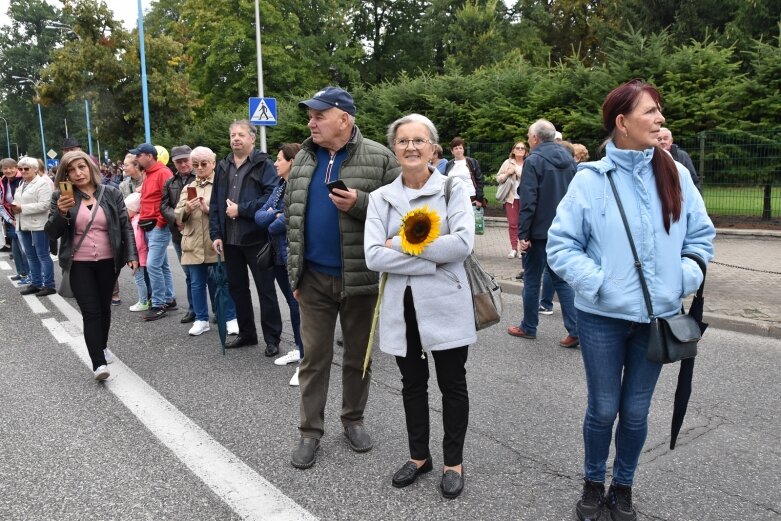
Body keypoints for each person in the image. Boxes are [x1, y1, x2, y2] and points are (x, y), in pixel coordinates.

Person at [546, 79, 715, 521]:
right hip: (601, 316)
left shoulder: (674, 173)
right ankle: (591, 483)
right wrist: (599, 283)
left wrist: (682, 277)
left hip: (656, 317)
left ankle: (623, 486)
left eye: (660, 110)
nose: (660, 119)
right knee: (603, 408)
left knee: (636, 413)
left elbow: (701, 235)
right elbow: (561, 246)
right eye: (650, 111)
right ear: (621, 123)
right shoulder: (589, 181)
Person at [285, 86, 400, 469]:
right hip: (314, 278)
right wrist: (295, 274)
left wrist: (361, 203)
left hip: (361, 279)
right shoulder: (302, 158)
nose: (311, 122)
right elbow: (292, 221)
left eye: (319, 115)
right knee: (314, 357)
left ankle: (353, 419)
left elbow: (402, 218)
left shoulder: (381, 158)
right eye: (310, 116)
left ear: (344, 119)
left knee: (358, 358)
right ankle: (309, 432)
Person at [365, 113, 474, 499]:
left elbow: (461, 245)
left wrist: (401, 243)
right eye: (403, 141)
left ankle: (453, 462)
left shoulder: (452, 189)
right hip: (402, 305)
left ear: (432, 147)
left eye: (419, 141)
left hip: (445, 303)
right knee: (412, 384)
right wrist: (432, 255)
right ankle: (419, 456)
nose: (411, 147)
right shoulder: (381, 198)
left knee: (451, 383)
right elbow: (373, 257)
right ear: (394, 148)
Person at [46, 151, 139, 380]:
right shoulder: (60, 196)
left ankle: (102, 346)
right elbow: (52, 231)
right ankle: (98, 364)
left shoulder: (111, 193)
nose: (78, 173)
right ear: (64, 174)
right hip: (79, 263)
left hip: (109, 261)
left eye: (81, 167)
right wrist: (62, 212)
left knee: (104, 308)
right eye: (71, 170)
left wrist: (132, 254)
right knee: (91, 311)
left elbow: (125, 226)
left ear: (90, 168)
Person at [208, 120, 282, 354]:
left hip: (256, 237)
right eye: (232, 135)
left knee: (265, 289)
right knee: (238, 288)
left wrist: (242, 209)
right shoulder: (223, 165)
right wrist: (216, 234)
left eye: (241, 134)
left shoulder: (263, 163)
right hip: (230, 240)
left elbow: (273, 197)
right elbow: (216, 202)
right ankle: (247, 334)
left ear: (252, 138)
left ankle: (272, 339)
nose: (235, 139)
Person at [507, 119, 578, 348]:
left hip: (538, 232)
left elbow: (529, 200)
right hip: (563, 230)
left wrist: (523, 234)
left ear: (536, 138)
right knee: (561, 281)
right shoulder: (569, 159)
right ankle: (576, 329)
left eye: (529, 136)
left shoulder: (534, 160)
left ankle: (528, 326)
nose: (528, 140)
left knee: (531, 279)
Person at [254, 143, 304, 386]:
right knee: (291, 304)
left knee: (298, 306)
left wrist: (273, 217)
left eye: (280, 159)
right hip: (276, 254)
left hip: (291, 253)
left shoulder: (297, 185)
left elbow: (286, 218)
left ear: (292, 161)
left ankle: (306, 360)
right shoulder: (280, 186)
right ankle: (298, 348)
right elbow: (260, 216)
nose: (275, 163)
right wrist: (272, 215)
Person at [176, 146, 239, 337]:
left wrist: (208, 209)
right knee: (196, 282)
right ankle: (201, 319)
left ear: (213, 163)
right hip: (193, 240)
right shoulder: (189, 187)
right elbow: (177, 216)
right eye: (196, 164)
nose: (199, 168)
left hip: (215, 240)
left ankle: (230, 318)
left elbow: (229, 212)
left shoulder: (222, 184)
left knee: (222, 281)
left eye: (204, 163)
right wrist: (186, 209)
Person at [132, 143, 176, 321]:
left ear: (149, 156)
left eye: (139, 155)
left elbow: (169, 200)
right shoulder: (148, 173)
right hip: (149, 224)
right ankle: (168, 298)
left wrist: (160, 222)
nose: (136, 158)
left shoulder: (163, 172)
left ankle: (158, 305)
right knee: (161, 265)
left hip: (157, 225)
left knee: (152, 265)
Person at [162, 145, 197, 324]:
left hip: (199, 233)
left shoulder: (200, 177)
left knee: (212, 276)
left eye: (186, 160)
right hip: (178, 235)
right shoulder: (170, 182)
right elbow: (164, 206)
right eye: (179, 161)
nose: (183, 164)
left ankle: (216, 309)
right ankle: (194, 309)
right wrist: (177, 219)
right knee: (189, 275)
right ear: (174, 163)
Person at [12, 157, 55, 296]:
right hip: (22, 223)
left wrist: (22, 207)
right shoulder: (21, 183)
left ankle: (49, 285)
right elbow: (17, 200)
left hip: (39, 224)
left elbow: (45, 205)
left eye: (26, 168)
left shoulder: (42, 184)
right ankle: (36, 283)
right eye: (21, 169)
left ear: (35, 169)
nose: (23, 171)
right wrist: (13, 206)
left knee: (43, 255)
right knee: (30, 256)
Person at [1, 158, 29, 284]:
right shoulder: (3, 182)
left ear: (16, 167)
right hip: (11, 219)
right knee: (16, 248)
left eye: (11, 167)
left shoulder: (23, 180)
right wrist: (9, 219)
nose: (8, 170)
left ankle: (30, 274)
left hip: (24, 218)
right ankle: (21, 273)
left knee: (25, 249)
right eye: (5, 168)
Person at [495, 141, 525, 258]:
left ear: (525, 151)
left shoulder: (528, 163)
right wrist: (507, 173)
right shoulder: (507, 163)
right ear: (513, 150)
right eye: (517, 148)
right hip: (511, 198)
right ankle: (513, 248)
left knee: (524, 224)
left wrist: (517, 171)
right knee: (513, 224)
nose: (520, 150)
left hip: (525, 199)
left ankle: (523, 248)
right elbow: (499, 178)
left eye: (522, 148)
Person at [124, 192, 151, 312]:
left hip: (138, 257)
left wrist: (132, 256)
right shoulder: (138, 219)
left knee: (139, 279)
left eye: (127, 209)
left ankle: (143, 301)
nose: (125, 211)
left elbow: (136, 242)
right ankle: (148, 299)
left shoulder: (135, 223)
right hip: (143, 255)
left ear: (134, 209)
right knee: (146, 279)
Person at [443, 137, 485, 207]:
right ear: (452, 151)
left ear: (463, 149)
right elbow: (445, 181)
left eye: (460, 148)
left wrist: (479, 199)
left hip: (470, 197)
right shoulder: (449, 164)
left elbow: (480, 181)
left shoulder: (472, 162)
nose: (458, 150)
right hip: (453, 198)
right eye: (456, 148)